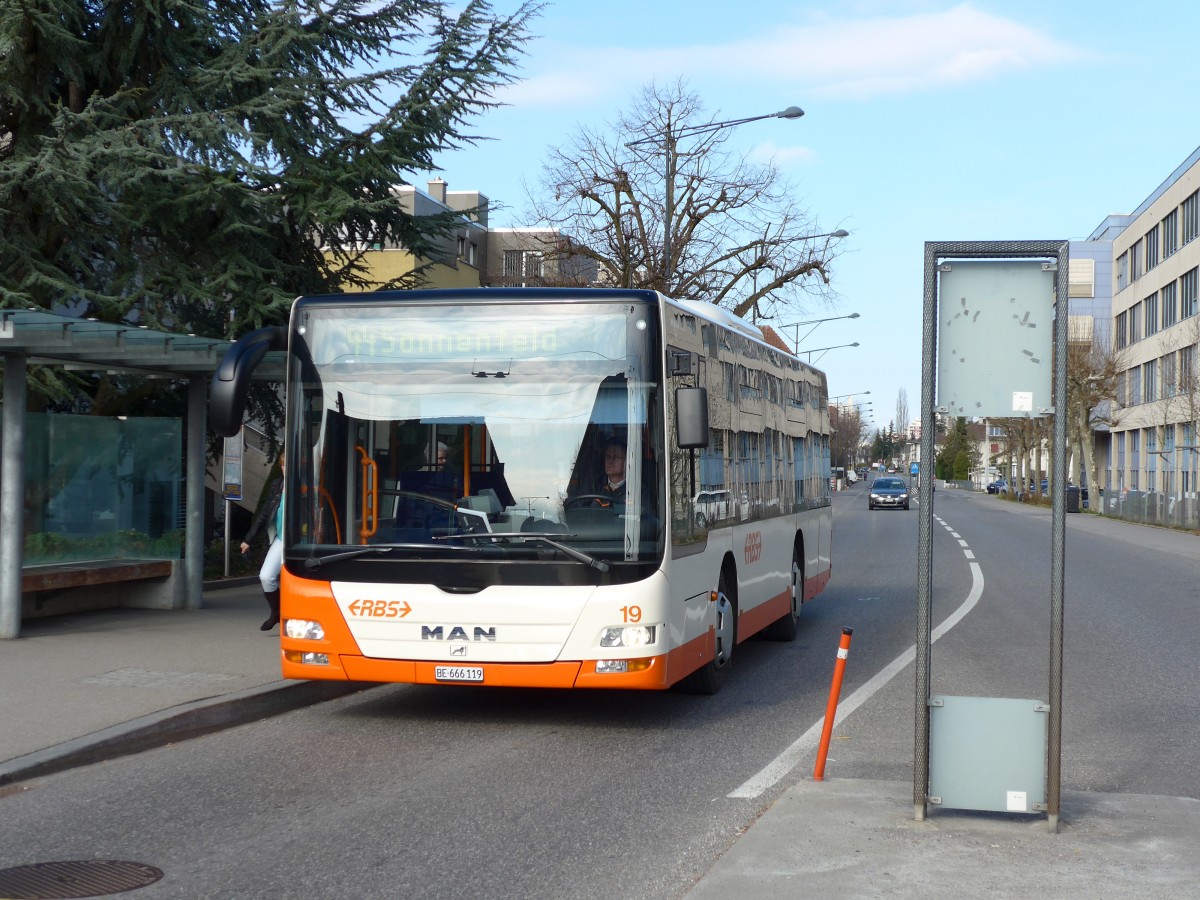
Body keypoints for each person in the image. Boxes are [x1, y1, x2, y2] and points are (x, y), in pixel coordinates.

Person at [240, 451, 284, 631]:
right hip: (281, 540)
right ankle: (277, 613)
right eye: (283, 465)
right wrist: (248, 540)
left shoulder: (308, 487)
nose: (286, 469)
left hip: (302, 543)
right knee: (266, 576)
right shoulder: (277, 486)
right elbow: (264, 514)